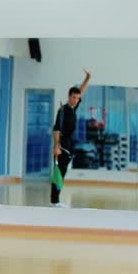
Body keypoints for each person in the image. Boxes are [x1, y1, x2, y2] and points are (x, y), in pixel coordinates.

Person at [50, 69, 91, 208]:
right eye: (73, 97)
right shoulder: (63, 111)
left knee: (63, 171)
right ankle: (54, 201)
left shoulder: (74, 108)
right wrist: (56, 146)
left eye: (77, 98)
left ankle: (55, 199)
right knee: (59, 171)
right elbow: (56, 129)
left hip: (68, 144)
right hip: (61, 145)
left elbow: (81, 91)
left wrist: (87, 78)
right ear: (69, 96)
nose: (75, 100)